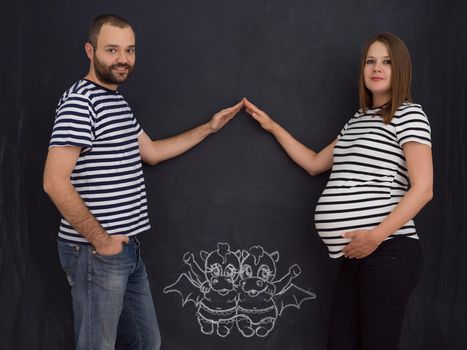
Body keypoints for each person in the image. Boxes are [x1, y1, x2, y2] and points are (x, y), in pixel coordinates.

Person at [43, 14, 243, 350]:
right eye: (112, 50)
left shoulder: (116, 102)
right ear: (90, 51)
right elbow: (54, 182)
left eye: (129, 50)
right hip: (96, 252)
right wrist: (102, 241)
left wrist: (209, 128)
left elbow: (150, 152)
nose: (122, 59)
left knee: (145, 342)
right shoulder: (82, 102)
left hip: (127, 250)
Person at [244, 32, 432, 349]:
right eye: (371, 61)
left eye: (386, 61)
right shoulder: (357, 120)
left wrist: (375, 236)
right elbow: (315, 163)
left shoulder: (409, 114)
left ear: (400, 69)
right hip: (355, 256)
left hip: (388, 250)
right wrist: (273, 127)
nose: (377, 68)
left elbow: (424, 188)